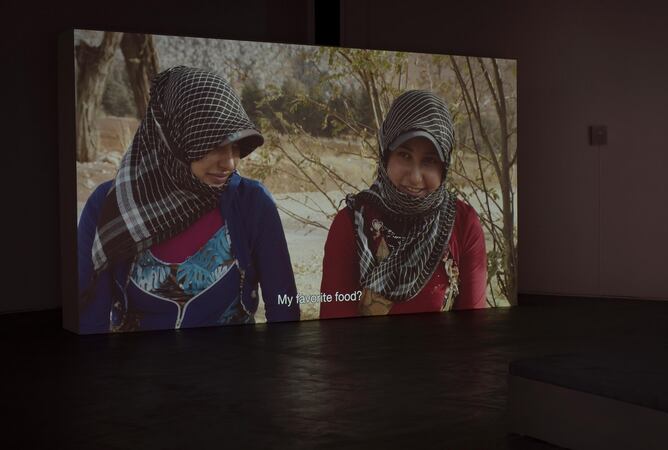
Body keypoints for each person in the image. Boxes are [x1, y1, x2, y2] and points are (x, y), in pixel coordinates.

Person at [78, 66, 298, 333]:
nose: (229, 162)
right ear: (174, 139)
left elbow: (284, 312)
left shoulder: (251, 203)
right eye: (214, 145)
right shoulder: (110, 206)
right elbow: (90, 319)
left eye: (236, 146)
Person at [319, 90, 487, 318]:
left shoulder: (462, 223)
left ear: (444, 167)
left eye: (429, 160)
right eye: (404, 155)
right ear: (386, 155)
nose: (415, 177)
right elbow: (335, 333)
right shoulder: (352, 224)